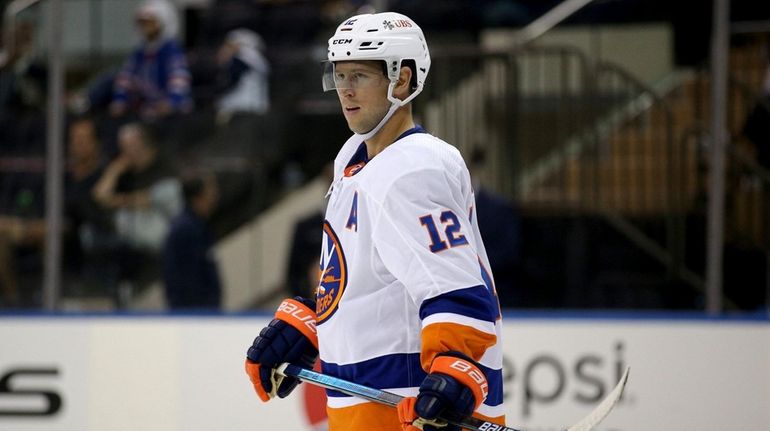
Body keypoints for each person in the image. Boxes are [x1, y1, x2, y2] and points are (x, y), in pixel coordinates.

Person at [244, 12, 505, 431]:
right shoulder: (354, 157)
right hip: (361, 405)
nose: (344, 90)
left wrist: (458, 373)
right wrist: (316, 324)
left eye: (359, 76)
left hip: (408, 410)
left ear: (401, 81)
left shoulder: (415, 168)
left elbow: (454, 286)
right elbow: (368, 277)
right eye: (339, 75)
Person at [109, 0, 192, 122]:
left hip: (175, 113)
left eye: (149, 23)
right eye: (142, 23)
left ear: (163, 22)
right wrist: (120, 100)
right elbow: (125, 78)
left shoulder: (171, 50)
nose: (144, 27)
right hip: (148, 110)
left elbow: (179, 81)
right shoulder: (140, 52)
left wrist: (171, 102)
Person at [162, 174, 221, 310]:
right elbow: (183, 278)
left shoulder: (199, 225)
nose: (215, 198)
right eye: (211, 193)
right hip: (194, 311)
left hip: (203, 310)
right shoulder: (185, 229)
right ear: (197, 198)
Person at [215, 28, 270, 123]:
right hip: (258, 106)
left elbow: (231, 83)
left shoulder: (240, 60)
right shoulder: (260, 61)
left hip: (240, 106)